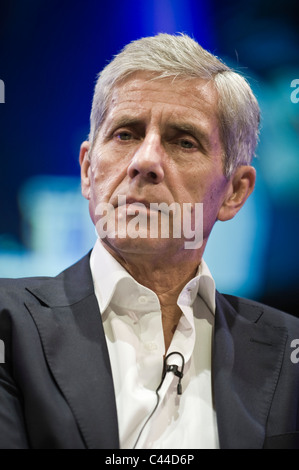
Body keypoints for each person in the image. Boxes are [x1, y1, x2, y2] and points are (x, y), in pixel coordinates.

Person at [0, 33, 299, 450]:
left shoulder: (290, 350)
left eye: (183, 141)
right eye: (125, 134)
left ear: (235, 191)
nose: (145, 162)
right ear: (88, 171)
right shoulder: (7, 327)